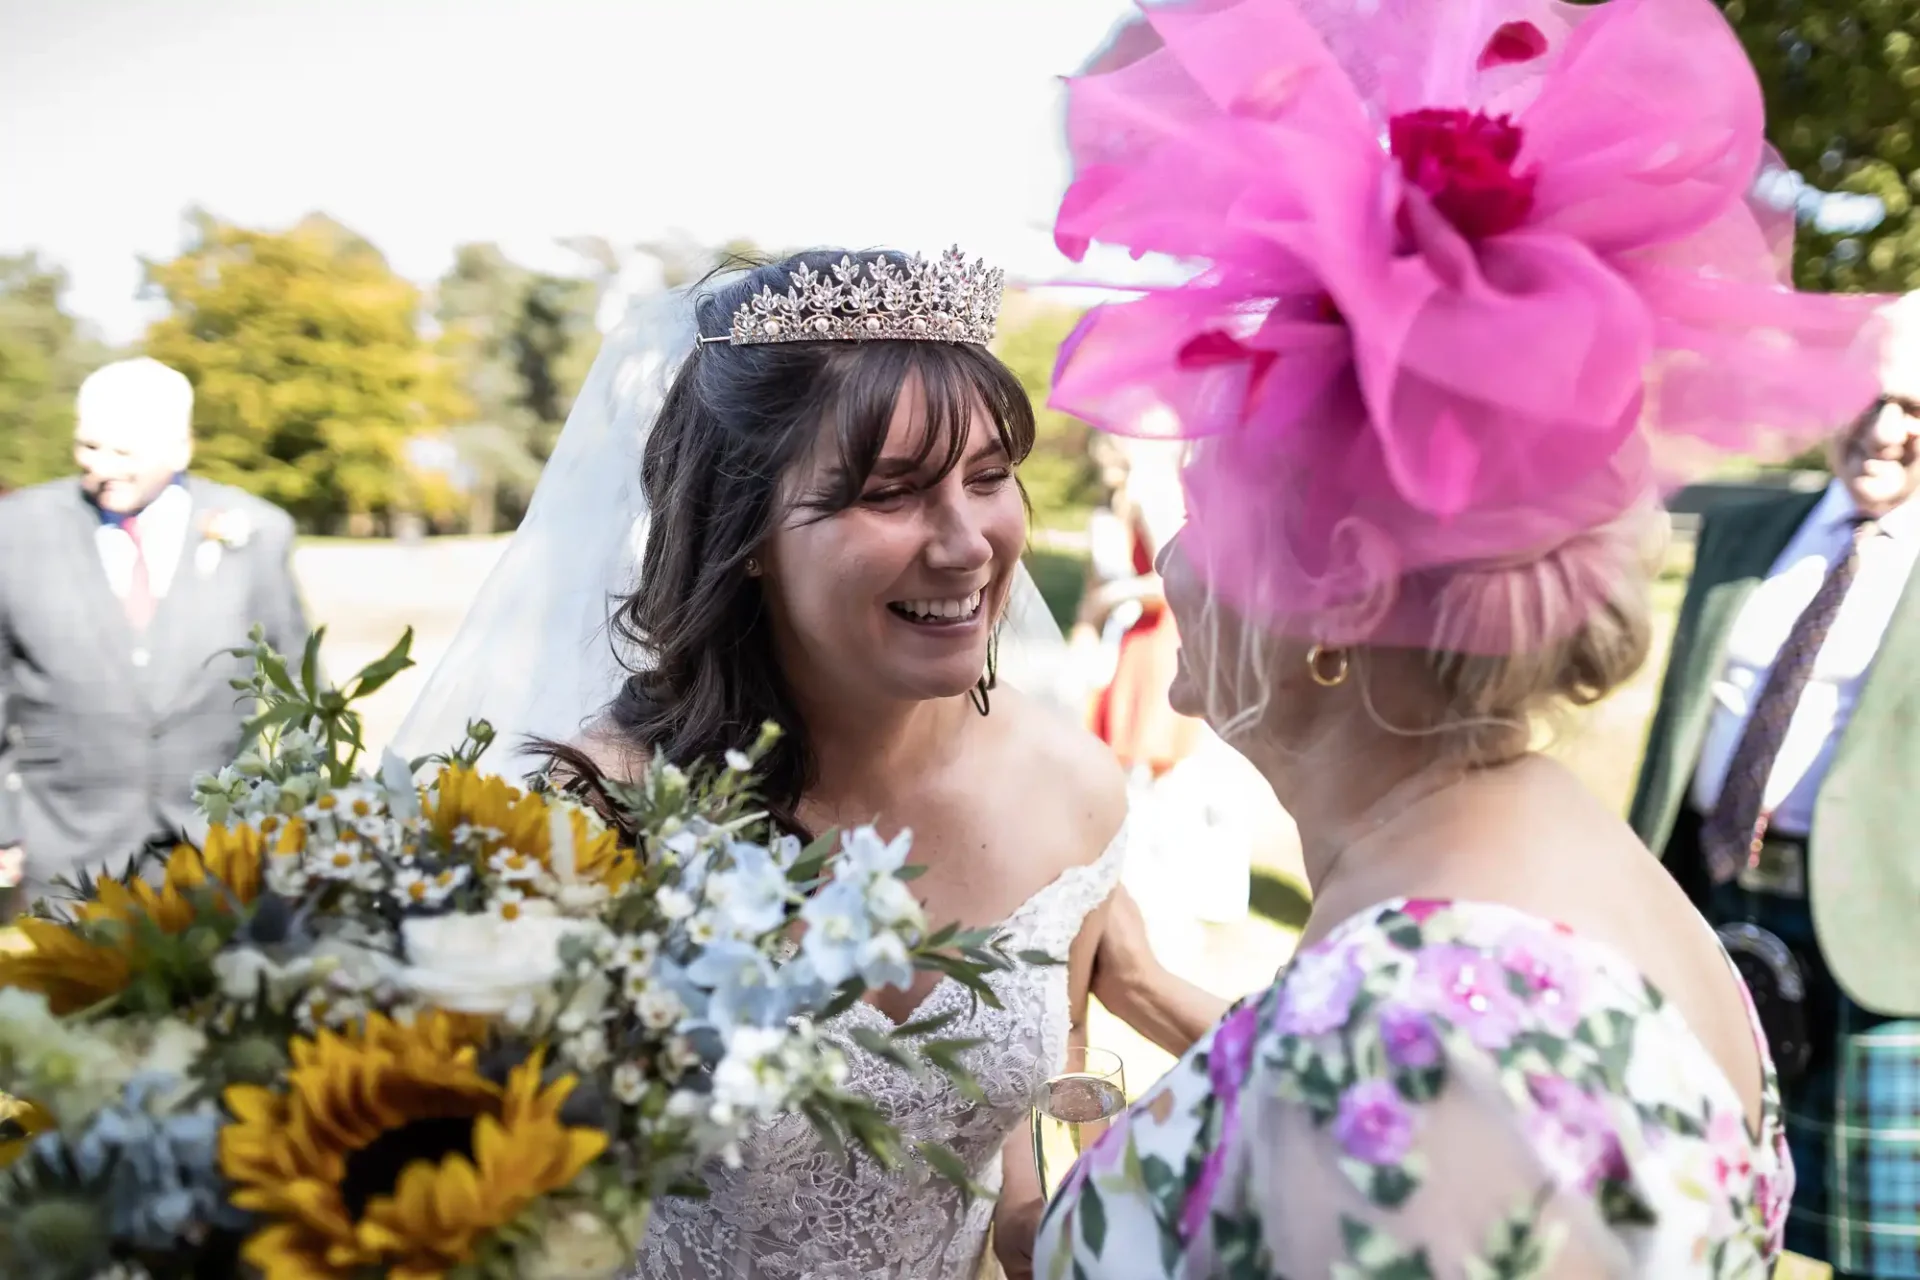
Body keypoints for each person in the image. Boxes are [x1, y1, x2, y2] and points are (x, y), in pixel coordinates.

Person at [1030, 0, 1895, 1273]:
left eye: (1203, 508)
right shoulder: (1564, 864)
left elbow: (1413, 1086)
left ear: (1339, 591)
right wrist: (1156, 1003)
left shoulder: (1407, 1032)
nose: (1171, 557)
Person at [391, 249, 1128, 1280]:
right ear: (745, 531)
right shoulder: (594, 822)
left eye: (991, 475)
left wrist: (1042, 1219)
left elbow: (1031, 1128)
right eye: (892, 491)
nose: (967, 543)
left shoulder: (1075, 793)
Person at [1631, 290, 1920, 1278]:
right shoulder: (1751, 528)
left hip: (1880, 938)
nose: (1883, 430)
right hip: (1704, 899)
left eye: (1918, 409)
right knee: (1676, 1202)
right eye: (1870, 396)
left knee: (1886, 1250)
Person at [0, 357, 308, 910]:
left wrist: (300, 819)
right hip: (66, 848)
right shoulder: (15, 529)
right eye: (89, 448)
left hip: (220, 849)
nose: (102, 468)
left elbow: (296, 691)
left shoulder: (257, 532)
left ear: (182, 449)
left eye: (124, 453)